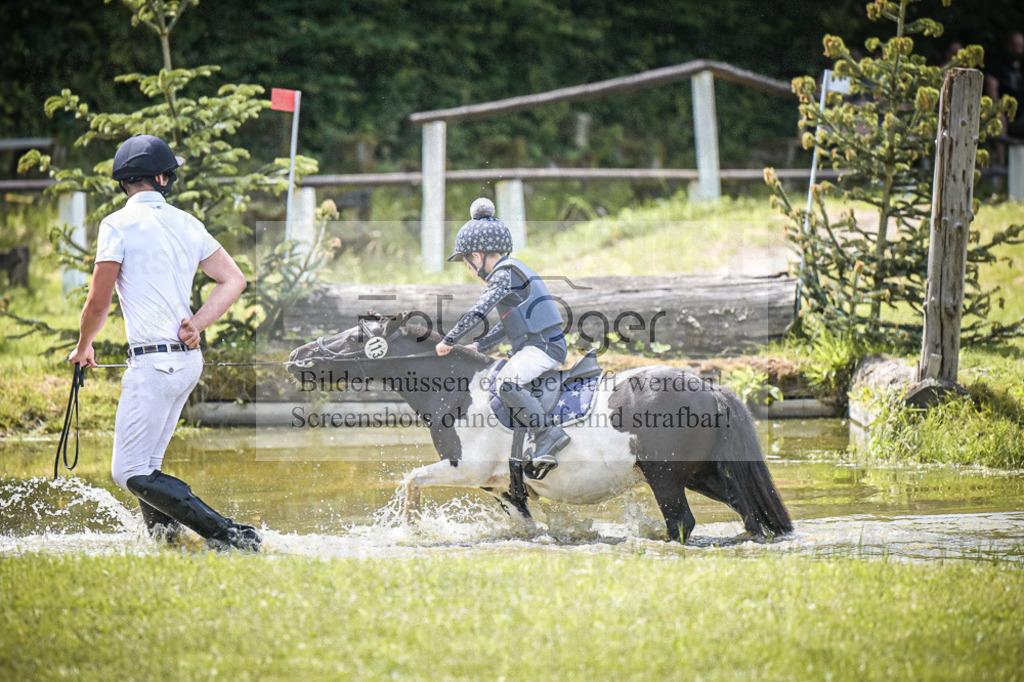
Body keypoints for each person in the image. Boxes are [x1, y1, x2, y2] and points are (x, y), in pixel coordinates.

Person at [67, 133, 261, 552]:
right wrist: (199, 323)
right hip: (186, 363)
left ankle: (231, 535)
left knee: (130, 473)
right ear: (163, 178)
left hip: (153, 366)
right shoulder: (188, 223)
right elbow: (234, 279)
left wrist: (84, 345)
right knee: (148, 466)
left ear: (124, 182)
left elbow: (99, 300)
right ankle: (165, 540)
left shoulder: (116, 224)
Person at [436, 198, 569, 473]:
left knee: (505, 383)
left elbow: (479, 311)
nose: (471, 272)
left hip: (544, 347)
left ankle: (547, 436)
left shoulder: (503, 274)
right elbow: (508, 325)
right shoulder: (511, 270)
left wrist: (449, 340)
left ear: (476, 256)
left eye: (466, 264)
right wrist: (478, 344)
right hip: (538, 344)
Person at [985, 31, 1024, 166]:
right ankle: (1001, 165)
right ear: (1007, 45)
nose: (1017, 50)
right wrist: (998, 110)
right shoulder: (998, 61)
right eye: (1014, 46)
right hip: (1003, 112)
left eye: (1020, 46)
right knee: (1000, 121)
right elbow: (991, 84)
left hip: (1020, 116)